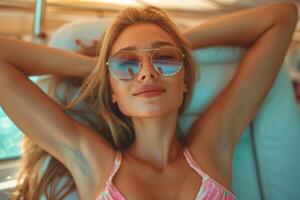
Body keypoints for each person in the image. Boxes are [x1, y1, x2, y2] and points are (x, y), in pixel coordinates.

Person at [0, 2, 297, 200]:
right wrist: (95, 65)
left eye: (165, 58)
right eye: (126, 63)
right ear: (112, 92)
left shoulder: (213, 146)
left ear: (184, 82)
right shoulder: (91, 160)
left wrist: (181, 41)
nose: (146, 72)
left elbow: (282, 16)